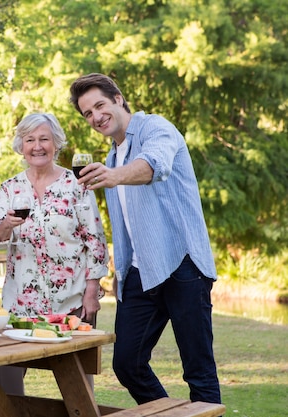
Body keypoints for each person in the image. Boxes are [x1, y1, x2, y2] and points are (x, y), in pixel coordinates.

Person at [68, 73, 221, 405]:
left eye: (100, 105)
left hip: (182, 267)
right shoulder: (112, 154)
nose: (96, 117)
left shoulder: (156, 128)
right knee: (127, 363)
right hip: (139, 273)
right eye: (87, 114)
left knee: (199, 371)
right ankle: (171, 415)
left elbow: (155, 165)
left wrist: (113, 176)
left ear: (118, 99)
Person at [0, 113, 109, 325]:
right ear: (21, 146)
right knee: (26, 360)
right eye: (30, 140)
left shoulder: (77, 184)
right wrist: (7, 223)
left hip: (72, 304)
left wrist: (91, 294)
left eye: (44, 139)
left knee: (75, 360)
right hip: (22, 306)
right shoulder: (10, 188)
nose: (37, 146)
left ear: (56, 143)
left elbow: (95, 242)